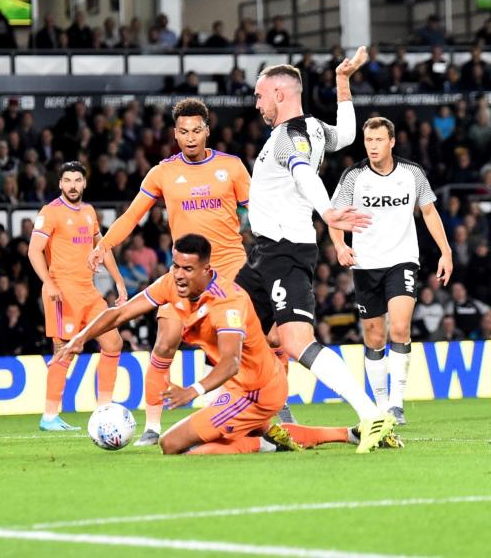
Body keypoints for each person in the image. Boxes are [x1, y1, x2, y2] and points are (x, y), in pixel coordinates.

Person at [232, 47, 396, 449]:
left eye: (259, 95)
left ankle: (371, 414)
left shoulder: (290, 137)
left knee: (294, 341)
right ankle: (258, 416)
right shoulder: (314, 130)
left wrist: (327, 212)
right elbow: (348, 134)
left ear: (280, 94)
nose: (256, 103)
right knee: (234, 327)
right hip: (265, 255)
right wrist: (343, 83)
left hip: (286, 251)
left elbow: (302, 172)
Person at [88, 98, 252, 445]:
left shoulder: (232, 167)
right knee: (164, 341)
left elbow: (261, 213)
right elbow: (132, 216)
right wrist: (104, 246)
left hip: (229, 268)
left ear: (207, 131)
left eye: (196, 130)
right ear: (174, 135)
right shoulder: (162, 172)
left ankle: (254, 411)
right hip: (184, 275)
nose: (190, 137)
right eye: (183, 132)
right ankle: (152, 425)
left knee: (242, 343)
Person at [56, 234, 302, 455]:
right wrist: (80, 338)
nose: (179, 274)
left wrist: (192, 390)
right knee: (164, 351)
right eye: (175, 266)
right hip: (238, 385)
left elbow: (231, 362)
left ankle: (270, 442)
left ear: (206, 269)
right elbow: (120, 313)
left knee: (179, 445)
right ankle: (338, 433)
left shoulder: (229, 301)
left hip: (256, 387)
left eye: (187, 268)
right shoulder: (171, 284)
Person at [329, 117, 452, 425]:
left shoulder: (412, 173)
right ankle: (381, 406)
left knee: (399, 327)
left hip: (402, 259)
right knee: (373, 336)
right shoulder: (353, 176)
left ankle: (396, 403)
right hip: (366, 263)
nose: (372, 146)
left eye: (378, 140)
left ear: (391, 142)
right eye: (368, 140)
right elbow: (333, 217)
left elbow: (428, 211)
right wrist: (341, 246)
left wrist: (446, 251)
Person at [29, 162, 127, 431]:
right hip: (62, 291)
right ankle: (49, 416)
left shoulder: (88, 212)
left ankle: (104, 410)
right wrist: (48, 283)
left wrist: (119, 282)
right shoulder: (50, 212)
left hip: (89, 291)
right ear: (60, 184)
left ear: (85, 183)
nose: (72, 185)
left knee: (113, 343)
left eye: (77, 180)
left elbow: (102, 247)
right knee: (64, 351)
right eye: (67, 180)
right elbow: (34, 250)